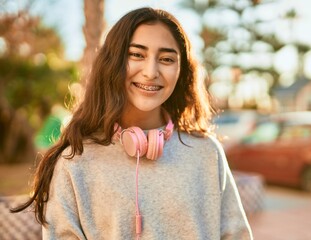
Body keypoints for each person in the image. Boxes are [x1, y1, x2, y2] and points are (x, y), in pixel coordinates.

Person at [12, 7, 253, 240]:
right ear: (113, 62)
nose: (151, 72)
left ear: (181, 71)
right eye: (137, 54)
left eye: (167, 59)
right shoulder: (75, 162)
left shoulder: (206, 152)